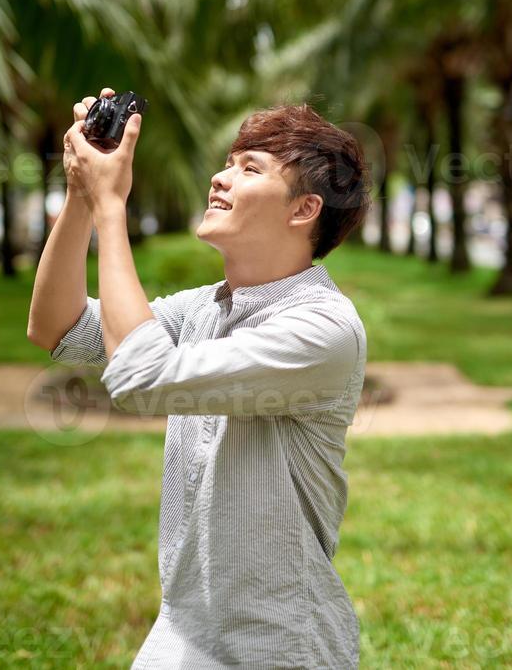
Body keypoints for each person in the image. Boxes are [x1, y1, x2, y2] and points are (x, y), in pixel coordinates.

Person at [27, 88, 371, 670]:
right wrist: (81, 198)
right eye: (228, 161)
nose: (220, 178)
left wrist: (114, 210)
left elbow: (142, 379)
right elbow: (57, 326)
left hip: (278, 643)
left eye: (249, 168)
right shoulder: (206, 308)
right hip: (184, 631)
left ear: (304, 209)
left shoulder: (322, 327)